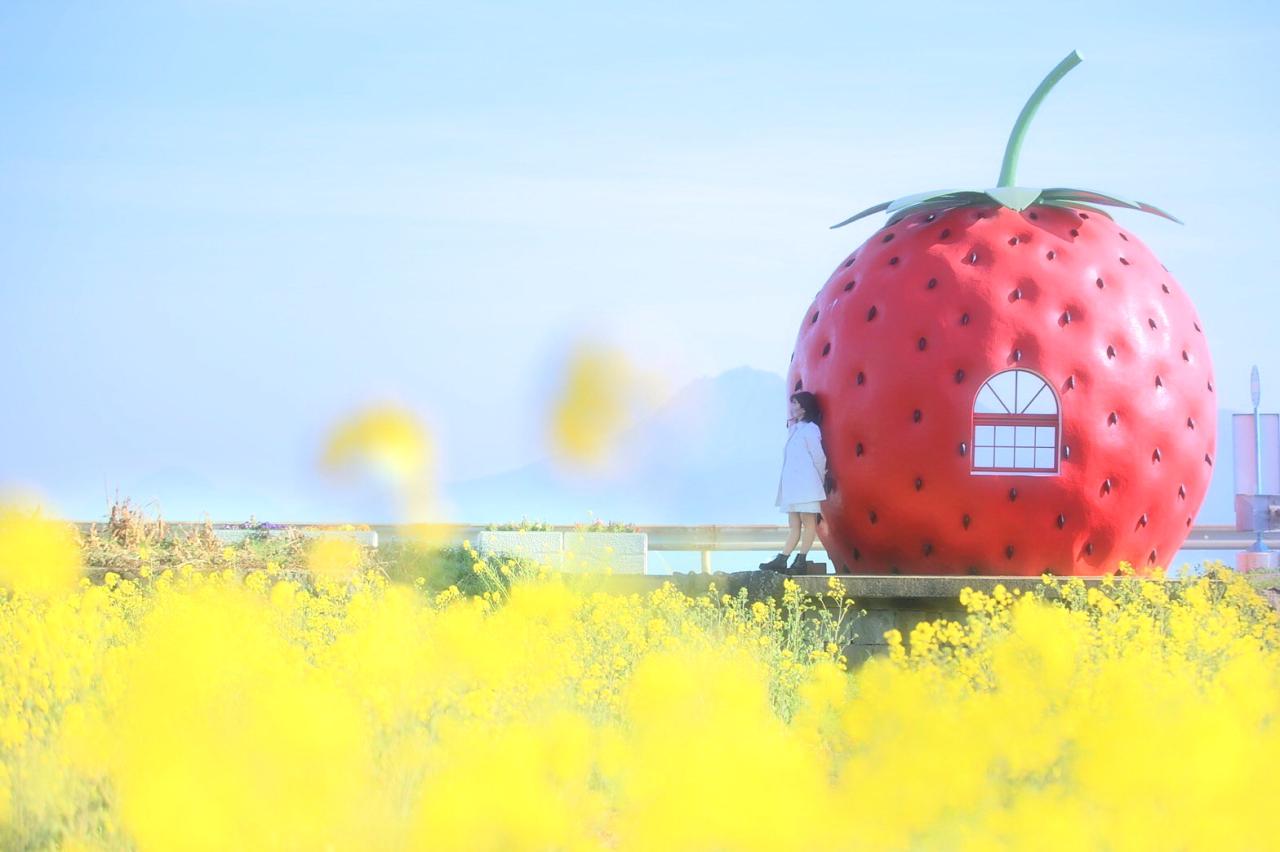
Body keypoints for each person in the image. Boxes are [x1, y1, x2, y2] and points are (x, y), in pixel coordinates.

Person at [760, 391, 829, 574]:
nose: (792, 407)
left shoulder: (811, 429)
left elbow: (818, 457)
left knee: (808, 522)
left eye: (796, 403)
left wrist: (819, 480)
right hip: (793, 486)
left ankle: (801, 559)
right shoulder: (795, 430)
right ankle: (783, 558)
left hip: (807, 484)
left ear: (805, 407)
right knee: (794, 524)